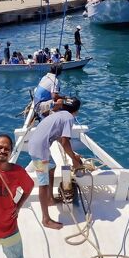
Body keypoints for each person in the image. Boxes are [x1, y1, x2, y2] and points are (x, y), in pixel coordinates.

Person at [28, 97, 83, 229]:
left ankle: (50, 199)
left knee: (52, 168)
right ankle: (45, 219)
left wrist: (73, 155)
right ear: (76, 111)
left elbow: (58, 137)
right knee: (43, 183)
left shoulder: (59, 115)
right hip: (40, 151)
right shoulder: (69, 118)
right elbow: (65, 141)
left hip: (36, 145)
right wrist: (75, 161)